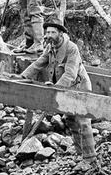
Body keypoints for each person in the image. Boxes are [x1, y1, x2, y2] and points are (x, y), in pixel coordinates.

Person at [17, 20, 98, 166]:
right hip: (65, 88)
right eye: (47, 32)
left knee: (83, 121)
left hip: (79, 88)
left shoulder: (71, 48)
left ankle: (90, 158)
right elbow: (39, 63)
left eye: (52, 32)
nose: (49, 35)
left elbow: (70, 74)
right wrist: (22, 77)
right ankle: (80, 154)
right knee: (70, 120)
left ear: (60, 34)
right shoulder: (50, 47)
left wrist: (56, 88)